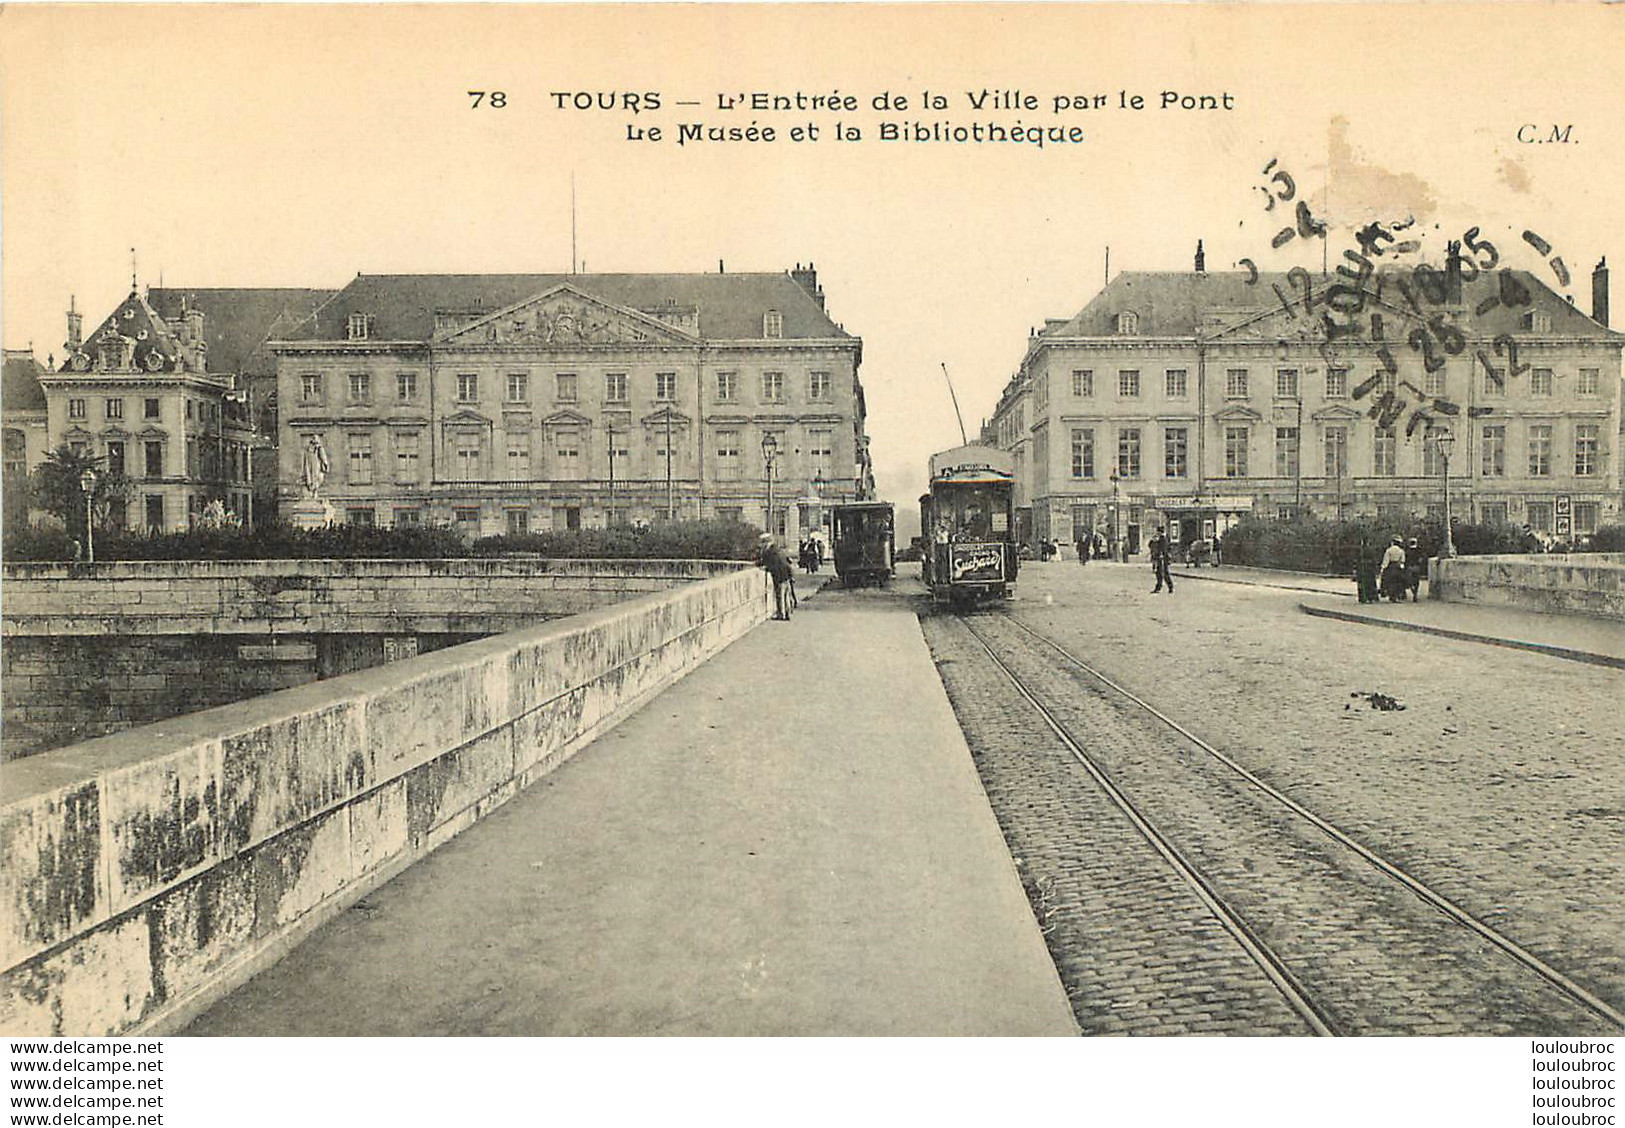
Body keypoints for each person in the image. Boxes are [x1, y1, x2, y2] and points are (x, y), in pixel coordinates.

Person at [758, 534, 795, 620]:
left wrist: (766, 568)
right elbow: (787, 561)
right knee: (785, 595)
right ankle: (787, 613)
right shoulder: (779, 549)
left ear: (766, 542)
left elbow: (770, 563)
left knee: (780, 595)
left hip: (779, 575)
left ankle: (781, 614)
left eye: (762, 542)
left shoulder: (770, 551)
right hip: (786, 575)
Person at [1379, 535, 1409, 602]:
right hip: (1398, 567)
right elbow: (1403, 560)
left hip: (1391, 567)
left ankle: (1391, 596)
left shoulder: (1389, 550)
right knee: (1398, 582)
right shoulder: (1401, 551)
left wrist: (1383, 568)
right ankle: (1397, 596)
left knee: (1390, 582)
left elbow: (1386, 560)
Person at [1354, 533, 1379, 603]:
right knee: (1370, 583)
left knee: (1362, 583)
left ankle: (1363, 597)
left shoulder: (1360, 550)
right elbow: (1374, 559)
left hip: (1362, 568)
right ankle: (1371, 597)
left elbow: (1356, 560)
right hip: (1369, 568)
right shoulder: (1370, 550)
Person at [1149, 526, 1174, 593]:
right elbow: (1151, 546)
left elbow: (1163, 549)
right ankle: (1167, 587)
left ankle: (1166, 587)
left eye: (1157, 532)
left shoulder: (1163, 539)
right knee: (1162, 573)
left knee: (1162, 574)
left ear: (1159, 532)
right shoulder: (1160, 539)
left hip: (1162, 559)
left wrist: (1161, 556)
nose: (1157, 533)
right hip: (1161, 558)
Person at [1404, 537, 1425, 601]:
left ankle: (1413, 591)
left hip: (1409, 567)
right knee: (1417, 581)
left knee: (1409, 581)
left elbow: (1405, 559)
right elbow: (1421, 558)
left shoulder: (1407, 551)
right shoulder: (1419, 550)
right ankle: (1415, 593)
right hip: (1416, 567)